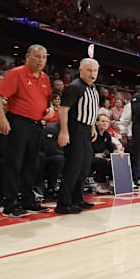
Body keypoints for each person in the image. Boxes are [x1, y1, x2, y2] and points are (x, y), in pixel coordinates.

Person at [0, 44, 54, 217]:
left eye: (44, 57)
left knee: (31, 164)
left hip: (36, 125)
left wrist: (49, 110)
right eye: (37, 56)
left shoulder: (45, 78)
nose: (41, 60)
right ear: (28, 57)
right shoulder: (16, 73)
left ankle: (28, 200)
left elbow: (48, 102)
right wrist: (2, 118)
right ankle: (10, 204)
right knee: (14, 163)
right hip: (18, 122)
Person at [56, 58, 100, 214]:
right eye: (89, 70)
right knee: (73, 167)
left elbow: (92, 110)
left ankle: (77, 198)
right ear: (80, 70)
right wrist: (64, 131)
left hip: (87, 130)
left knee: (84, 167)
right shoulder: (75, 87)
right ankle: (63, 203)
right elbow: (63, 110)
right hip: (75, 129)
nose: (92, 74)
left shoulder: (93, 87)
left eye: (95, 71)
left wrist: (93, 126)